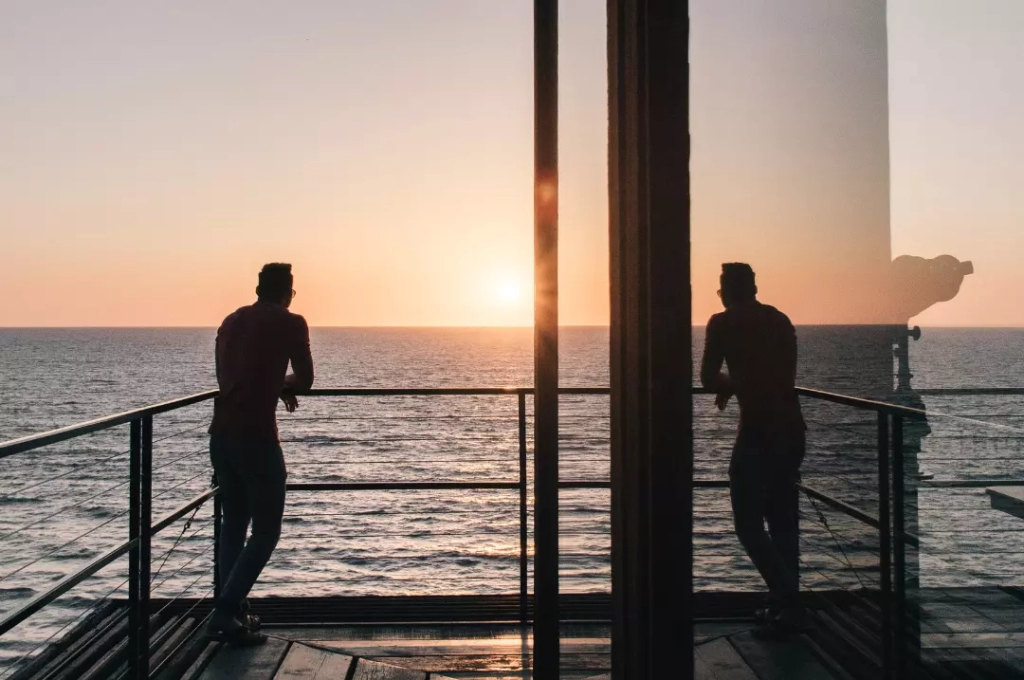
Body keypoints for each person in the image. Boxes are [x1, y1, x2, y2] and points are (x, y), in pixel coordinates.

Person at [207, 263, 314, 645]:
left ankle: (233, 611)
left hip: (221, 434)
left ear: (257, 288)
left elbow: (231, 377)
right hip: (257, 436)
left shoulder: (231, 320)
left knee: (234, 522)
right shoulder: (291, 322)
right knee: (267, 531)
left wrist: (270, 382)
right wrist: (282, 384)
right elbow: (304, 379)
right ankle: (223, 613)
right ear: (288, 293)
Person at [700, 263, 807, 636]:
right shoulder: (779, 320)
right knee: (781, 519)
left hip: (757, 431)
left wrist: (732, 383)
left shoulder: (722, 323)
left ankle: (788, 599)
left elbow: (708, 378)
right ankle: (786, 606)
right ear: (755, 287)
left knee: (747, 523)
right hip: (792, 430)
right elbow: (782, 376)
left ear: (727, 291)